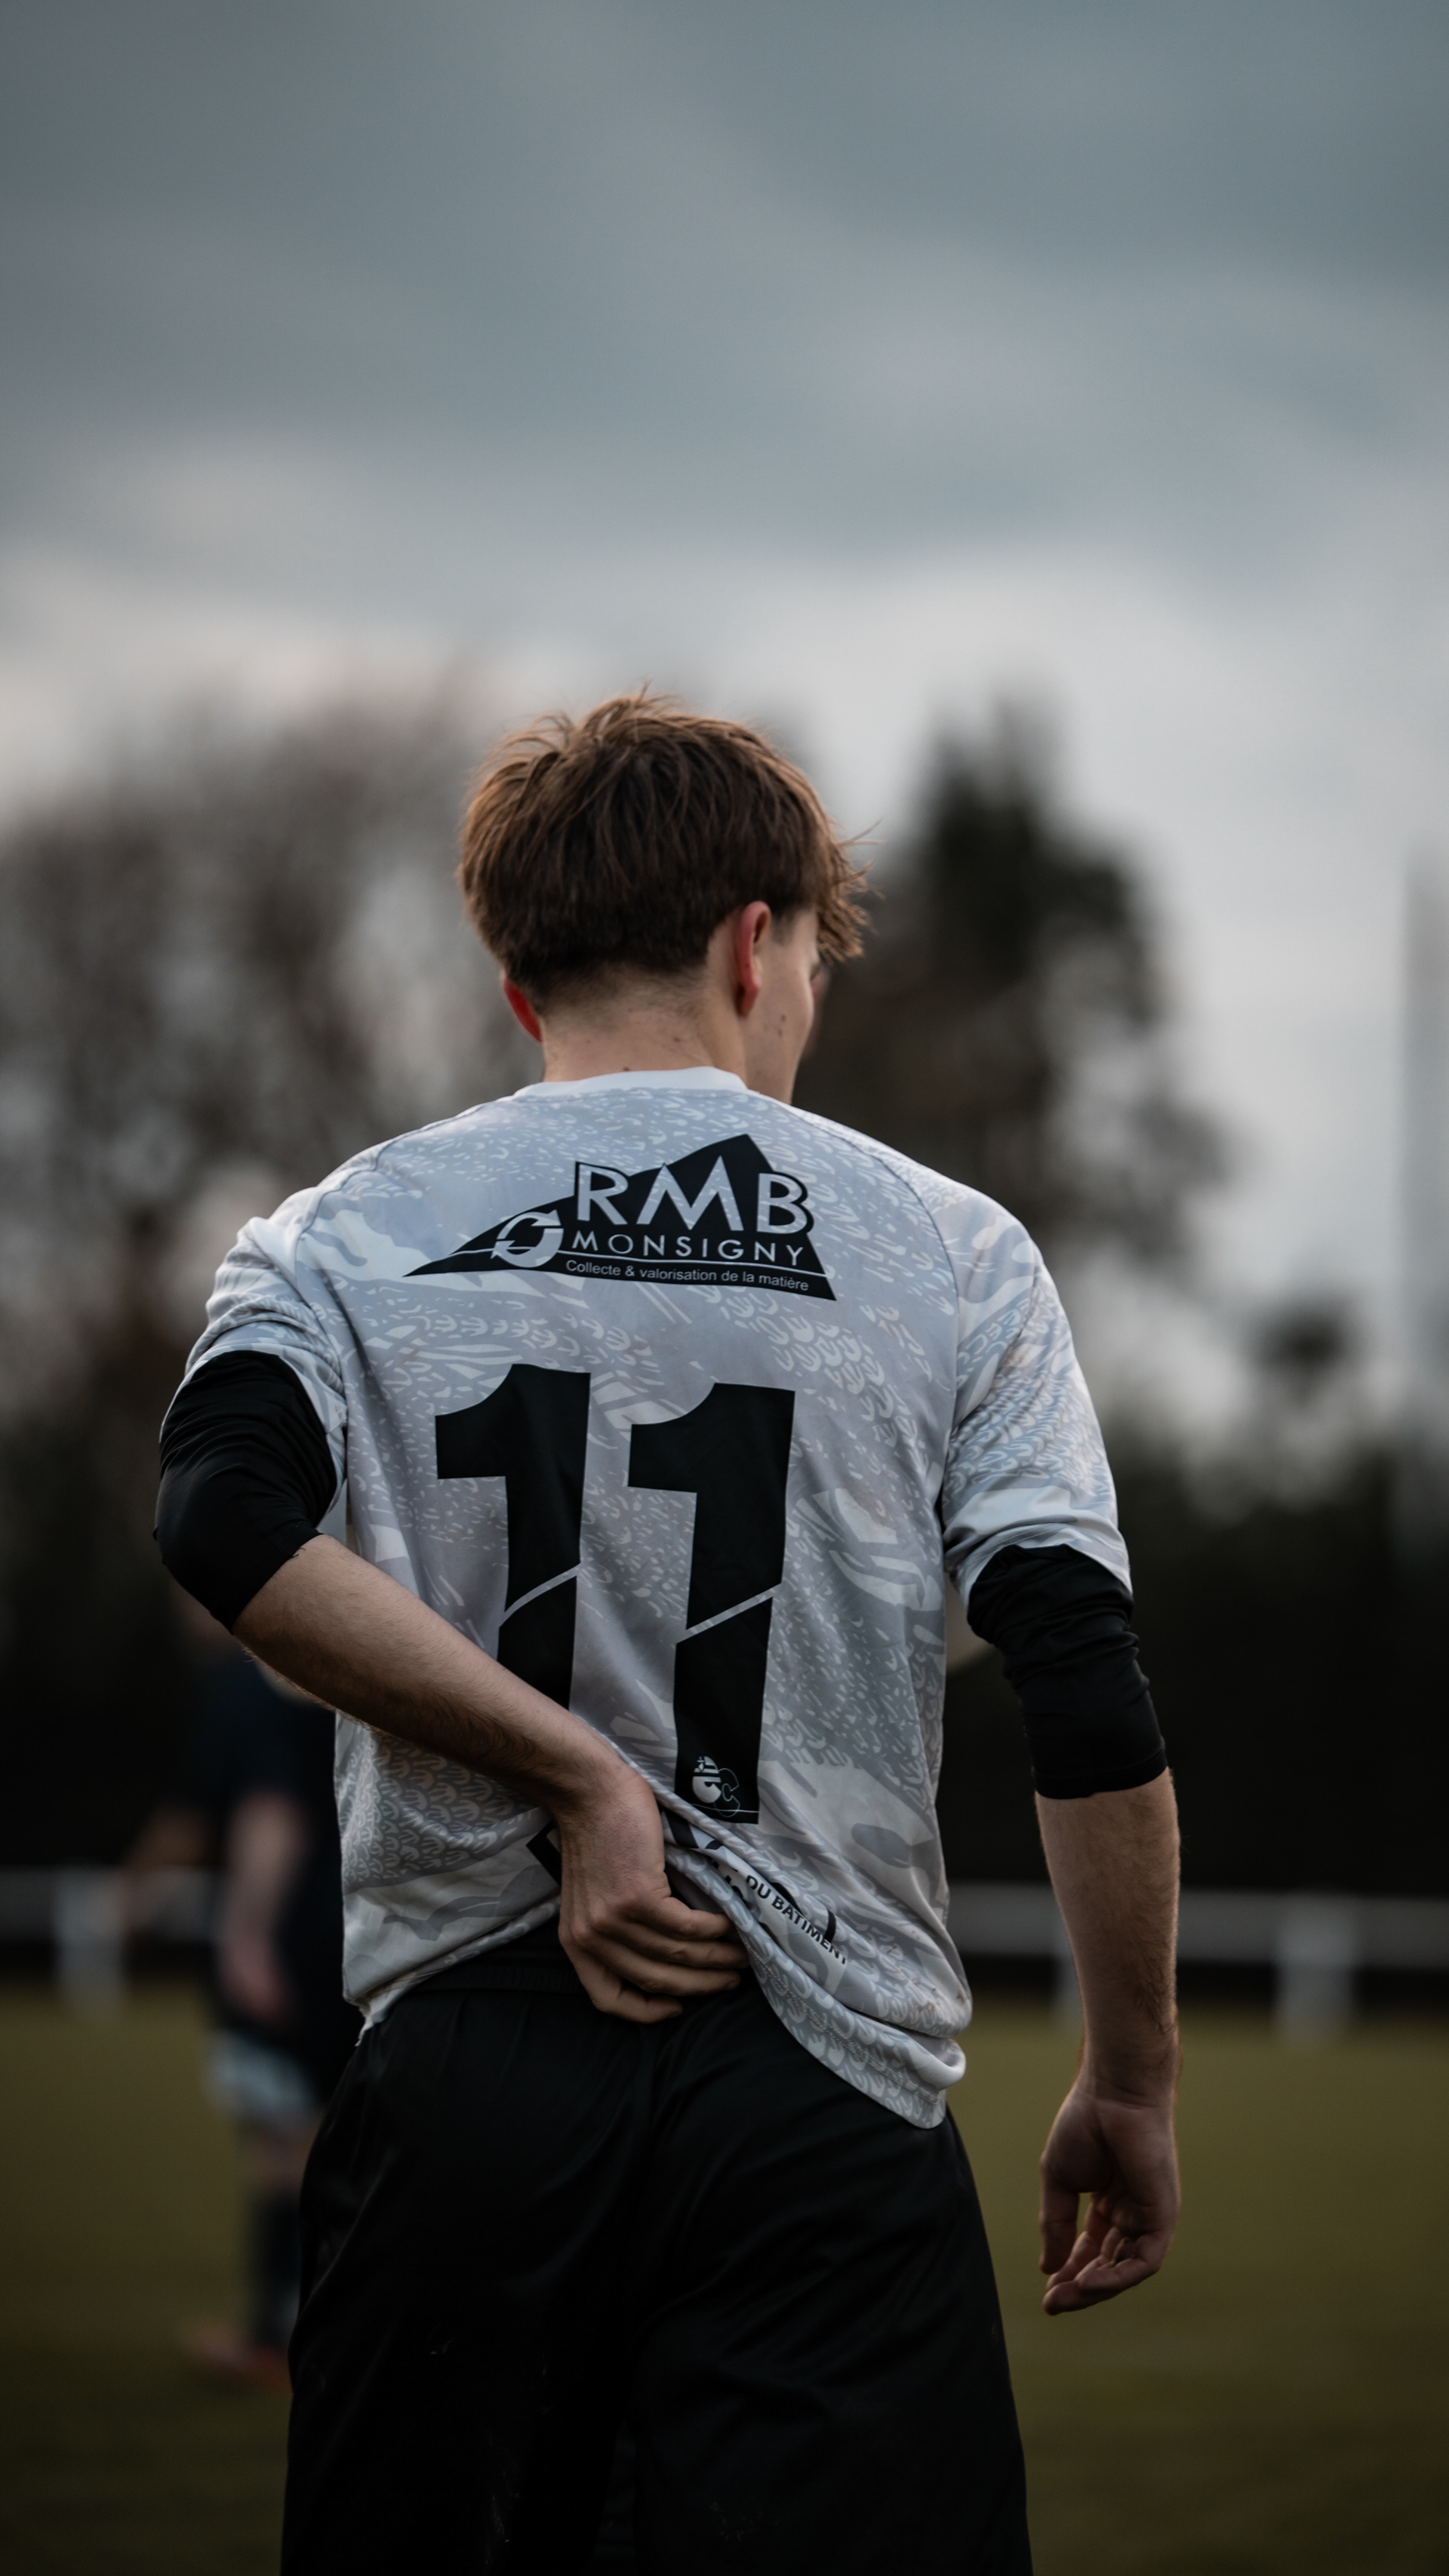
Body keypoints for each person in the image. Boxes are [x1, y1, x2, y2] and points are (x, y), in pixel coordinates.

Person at [155, 694, 1180, 2574]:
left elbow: (221, 1516)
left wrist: (568, 1774)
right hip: (819, 2095)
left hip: (463, 2084)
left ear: (515, 979)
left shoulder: (336, 1233)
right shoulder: (956, 1253)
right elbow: (1080, 1674)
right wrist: (1130, 2080)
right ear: (753, 944)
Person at [123, 1591, 360, 2390]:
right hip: (361, 1927)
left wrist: (249, 1934)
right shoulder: (330, 1670)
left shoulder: (247, 1684)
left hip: (291, 1934)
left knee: (280, 2140)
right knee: (347, 2136)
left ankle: (278, 2332)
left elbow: (270, 1810)